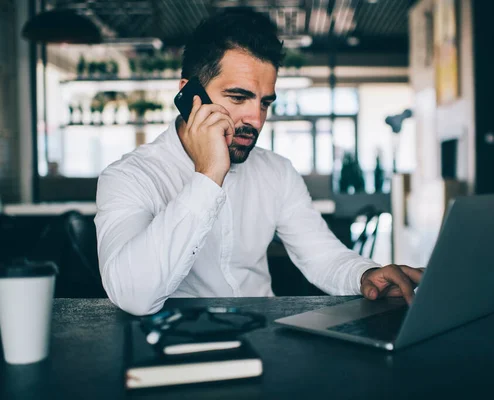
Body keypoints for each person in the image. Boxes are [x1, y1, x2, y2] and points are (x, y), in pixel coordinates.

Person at [95, 8, 422, 316]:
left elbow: (321, 255)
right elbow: (133, 295)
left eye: (265, 102)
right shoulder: (129, 177)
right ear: (189, 96)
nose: (255, 117)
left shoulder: (277, 172)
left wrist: (365, 275)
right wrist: (208, 175)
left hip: (264, 339)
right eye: (238, 97)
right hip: (173, 345)